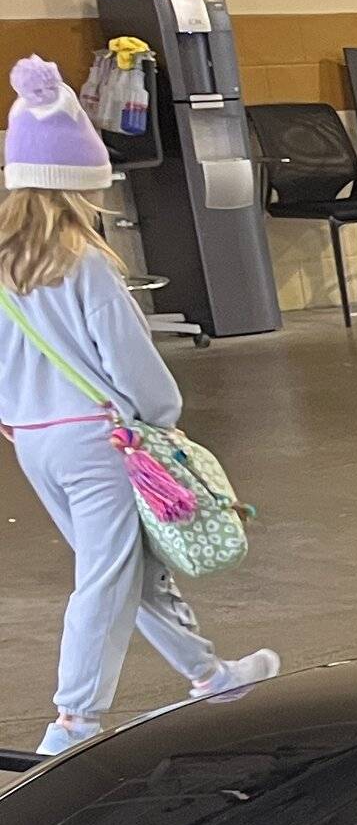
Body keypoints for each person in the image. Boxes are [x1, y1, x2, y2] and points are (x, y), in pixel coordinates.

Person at [0, 57, 271, 757]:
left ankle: (211, 676)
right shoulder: (83, 262)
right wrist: (162, 414)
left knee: (129, 566)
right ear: (82, 184)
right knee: (106, 577)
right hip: (101, 442)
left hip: (33, 440)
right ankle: (73, 721)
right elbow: (134, 365)